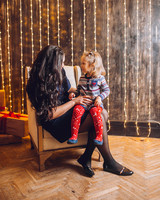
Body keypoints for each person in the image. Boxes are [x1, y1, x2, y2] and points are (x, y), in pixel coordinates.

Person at [26, 45, 133, 177]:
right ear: (52, 64)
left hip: (68, 108)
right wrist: (74, 101)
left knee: (99, 113)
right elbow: (50, 114)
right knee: (101, 114)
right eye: (62, 62)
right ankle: (107, 162)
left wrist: (79, 93)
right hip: (56, 122)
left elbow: (69, 89)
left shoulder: (60, 72)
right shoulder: (36, 85)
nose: (63, 65)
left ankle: (88, 158)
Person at [67, 51, 110, 145]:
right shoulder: (82, 78)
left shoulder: (100, 78)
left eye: (83, 63)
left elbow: (107, 90)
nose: (81, 65)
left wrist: (99, 97)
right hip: (83, 103)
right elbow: (79, 90)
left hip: (95, 103)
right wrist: (73, 94)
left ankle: (99, 136)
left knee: (96, 113)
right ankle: (74, 135)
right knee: (76, 111)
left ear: (92, 65)